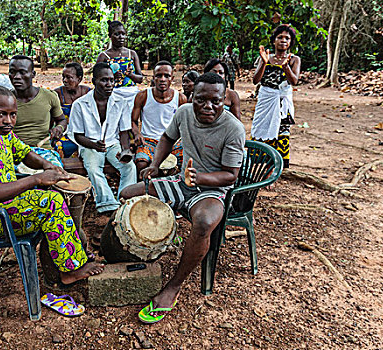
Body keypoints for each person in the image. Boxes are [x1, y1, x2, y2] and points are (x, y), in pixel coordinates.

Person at [120, 73, 245, 324]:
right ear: (192, 97)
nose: (208, 107)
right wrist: (155, 165)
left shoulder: (233, 128)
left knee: (204, 222)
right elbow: (167, 138)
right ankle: (134, 250)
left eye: (215, 101)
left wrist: (199, 178)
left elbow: (230, 176)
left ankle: (174, 286)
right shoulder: (184, 112)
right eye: (201, 100)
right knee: (127, 195)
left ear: (224, 100)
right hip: (182, 181)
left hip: (212, 190)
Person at [0, 86, 104, 287]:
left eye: (13, 115)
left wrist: (47, 165)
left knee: (52, 196)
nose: (8, 121)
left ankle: (73, 257)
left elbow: (24, 153)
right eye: (0, 114)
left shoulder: (3, 133)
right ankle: (70, 270)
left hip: (4, 205)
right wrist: (36, 179)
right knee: (51, 203)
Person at [68, 62, 136, 213]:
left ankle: (125, 202)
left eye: (112, 80)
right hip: (89, 145)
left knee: (129, 167)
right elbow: (78, 136)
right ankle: (108, 204)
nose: (109, 84)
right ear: (94, 82)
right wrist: (94, 145)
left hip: (112, 144)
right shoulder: (80, 104)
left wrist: (125, 151)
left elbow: (124, 132)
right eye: (104, 80)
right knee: (93, 169)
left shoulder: (121, 102)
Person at [251, 24, 301, 169]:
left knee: (281, 133)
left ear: (290, 42)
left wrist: (285, 67)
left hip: (282, 103)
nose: (283, 40)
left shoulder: (294, 60)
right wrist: (264, 63)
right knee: (261, 129)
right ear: (274, 41)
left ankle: (275, 169)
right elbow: (255, 80)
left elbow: (294, 81)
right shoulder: (266, 57)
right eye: (280, 37)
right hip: (266, 100)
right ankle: (260, 167)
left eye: (287, 38)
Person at [8, 55, 66, 167]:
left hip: (43, 151)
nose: (16, 77)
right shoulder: (5, 100)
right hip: (13, 152)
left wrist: (59, 128)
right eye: (12, 72)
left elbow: (62, 120)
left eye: (22, 72)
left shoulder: (49, 97)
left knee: (55, 174)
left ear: (33, 74)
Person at [132, 61, 187, 177]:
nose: (162, 79)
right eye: (159, 76)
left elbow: (184, 123)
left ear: (172, 78)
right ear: (154, 78)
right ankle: (145, 192)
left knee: (185, 163)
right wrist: (137, 134)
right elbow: (133, 121)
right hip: (149, 140)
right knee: (141, 163)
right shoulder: (143, 96)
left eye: (166, 76)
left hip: (172, 142)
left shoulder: (180, 98)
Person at [96, 21, 143, 112]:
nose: (121, 37)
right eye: (117, 34)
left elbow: (140, 78)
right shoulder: (104, 56)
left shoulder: (132, 54)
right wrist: (112, 77)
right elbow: (97, 79)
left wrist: (130, 75)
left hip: (131, 95)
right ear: (110, 36)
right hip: (112, 94)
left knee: (130, 122)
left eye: (123, 34)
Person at [54, 62, 91, 158]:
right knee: (60, 146)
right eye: (63, 77)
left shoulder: (88, 93)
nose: (64, 80)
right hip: (64, 131)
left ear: (79, 79)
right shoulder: (57, 94)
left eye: (69, 77)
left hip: (85, 131)